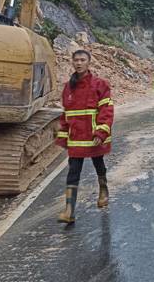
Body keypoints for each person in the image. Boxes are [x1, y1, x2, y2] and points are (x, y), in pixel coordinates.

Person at [56, 50, 114, 224]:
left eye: (82, 60)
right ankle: (69, 211)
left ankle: (103, 189)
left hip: (93, 136)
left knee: (98, 164)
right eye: (76, 60)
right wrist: (63, 136)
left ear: (89, 62)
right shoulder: (68, 87)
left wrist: (101, 132)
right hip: (76, 137)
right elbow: (66, 114)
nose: (79, 63)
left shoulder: (100, 84)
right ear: (72, 63)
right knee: (73, 171)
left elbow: (107, 110)